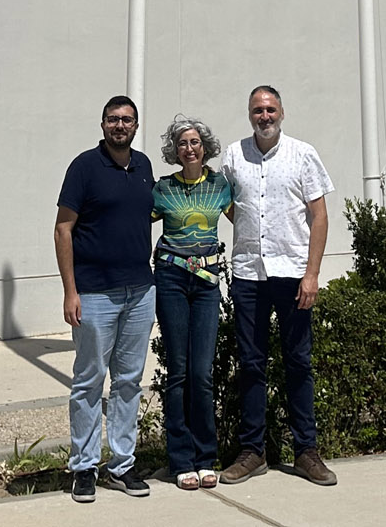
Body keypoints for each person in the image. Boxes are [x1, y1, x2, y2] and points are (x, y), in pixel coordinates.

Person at [218, 85, 337, 487]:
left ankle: (307, 452)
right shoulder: (233, 156)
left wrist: (312, 274)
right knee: (251, 364)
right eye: (257, 110)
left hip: (293, 274)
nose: (264, 116)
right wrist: (251, 228)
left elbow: (319, 217)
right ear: (249, 114)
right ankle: (253, 451)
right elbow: (227, 203)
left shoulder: (303, 154)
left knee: (298, 362)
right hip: (249, 274)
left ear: (281, 112)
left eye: (270, 109)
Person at [54, 96, 156, 503]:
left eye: (127, 120)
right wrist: (70, 291)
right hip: (95, 294)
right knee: (89, 382)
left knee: (128, 382)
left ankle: (122, 465)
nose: (120, 126)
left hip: (140, 291)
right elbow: (63, 229)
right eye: (113, 119)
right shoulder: (84, 167)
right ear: (102, 124)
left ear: (136, 126)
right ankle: (84, 467)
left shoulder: (144, 166)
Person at [150, 115, 232, 491]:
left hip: (207, 283)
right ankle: (181, 459)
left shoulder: (220, 186)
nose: (189, 148)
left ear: (205, 147)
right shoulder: (163, 188)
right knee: (179, 371)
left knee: (202, 373)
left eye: (195, 142)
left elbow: (249, 221)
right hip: (171, 279)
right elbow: (133, 222)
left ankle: (205, 457)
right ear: (175, 150)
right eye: (182, 143)